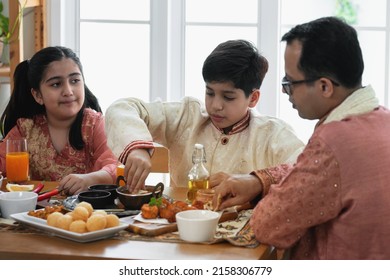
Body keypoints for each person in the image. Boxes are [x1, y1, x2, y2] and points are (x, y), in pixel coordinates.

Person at [211, 17, 390, 259]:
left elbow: (268, 225)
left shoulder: (334, 141)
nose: (286, 92)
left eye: (290, 82)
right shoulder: (381, 120)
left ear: (325, 87)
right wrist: (258, 182)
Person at [105, 39, 304, 193]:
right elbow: (121, 108)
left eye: (228, 97)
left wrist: (257, 181)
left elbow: (305, 170)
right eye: (210, 93)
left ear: (253, 98)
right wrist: (137, 149)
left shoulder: (272, 134)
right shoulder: (186, 116)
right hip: (180, 230)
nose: (215, 105)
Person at [0, 46, 118, 195]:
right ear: (37, 95)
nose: (68, 91)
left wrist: (90, 179)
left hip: (88, 213)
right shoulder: (25, 129)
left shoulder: (95, 124)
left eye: (75, 80)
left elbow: (114, 167)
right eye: (56, 84)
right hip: (37, 215)